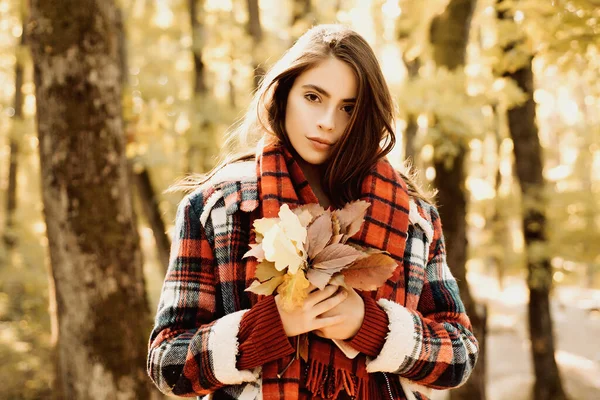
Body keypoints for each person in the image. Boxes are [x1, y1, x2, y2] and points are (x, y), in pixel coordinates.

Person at [147, 24, 479, 400]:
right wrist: (271, 326)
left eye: (348, 108)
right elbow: (168, 364)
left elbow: (460, 355)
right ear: (285, 93)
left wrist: (372, 325)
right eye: (313, 97)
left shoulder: (414, 217)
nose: (327, 122)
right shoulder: (219, 208)